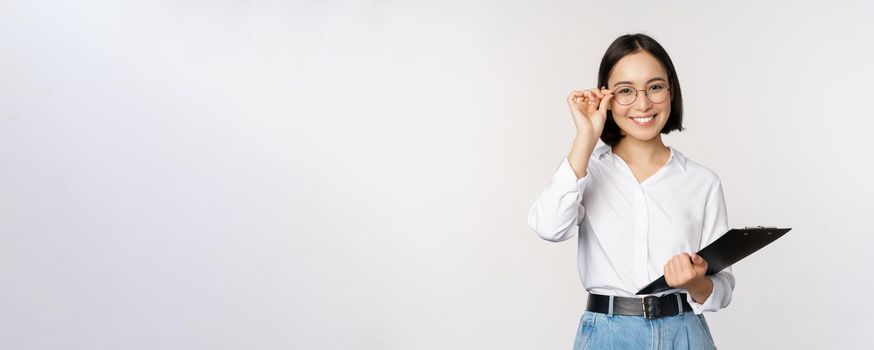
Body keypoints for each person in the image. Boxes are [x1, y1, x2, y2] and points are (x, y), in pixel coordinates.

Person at [527, 33, 733, 349]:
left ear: (671, 90)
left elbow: (722, 291)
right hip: (608, 335)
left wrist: (695, 281)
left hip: (685, 333)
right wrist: (586, 136)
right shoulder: (586, 169)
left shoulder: (702, 182)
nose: (643, 103)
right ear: (606, 97)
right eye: (625, 91)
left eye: (655, 87)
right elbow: (548, 227)